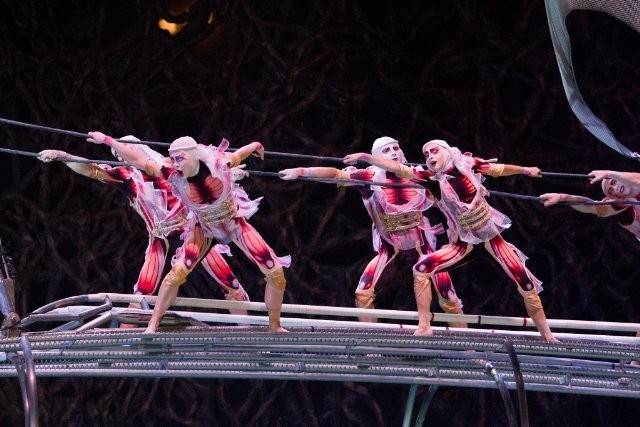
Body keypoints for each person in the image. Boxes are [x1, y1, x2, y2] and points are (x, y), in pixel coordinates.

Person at [343, 139, 557, 341]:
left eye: (434, 151)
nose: (429, 156)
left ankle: (548, 336)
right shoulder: (429, 178)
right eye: (426, 154)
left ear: (447, 151)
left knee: (526, 282)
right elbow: (399, 169)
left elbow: (498, 169)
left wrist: (525, 170)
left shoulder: (467, 163)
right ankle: (424, 326)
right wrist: (365, 157)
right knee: (421, 269)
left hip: (491, 237)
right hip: (462, 242)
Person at [87, 132, 290, 333]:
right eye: (173, 159)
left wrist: (255, 145)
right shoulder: (166, 172)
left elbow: (239, 154)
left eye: (179, 159)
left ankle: (273, 326)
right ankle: (152, 325)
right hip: (199, 229)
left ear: (192, 156)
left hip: (231, 221)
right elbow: (135, 161)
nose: (175, 164)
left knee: (271, 272)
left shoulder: (219, 162)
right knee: (172, 277)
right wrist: (106, 140)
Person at [280, 137, 466, 330]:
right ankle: (371, 339)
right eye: (386, 150)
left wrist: (455, 229)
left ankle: (466, 342)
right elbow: (336, 174)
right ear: (376, 156)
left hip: (423, 246)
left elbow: (448, 198)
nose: (393, 152)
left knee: (449, 297)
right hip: (391, 247)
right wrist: (301, 171)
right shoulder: (370, 177)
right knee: (363, 293)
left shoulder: (418, 174)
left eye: (396, 148)